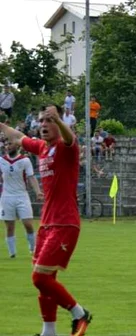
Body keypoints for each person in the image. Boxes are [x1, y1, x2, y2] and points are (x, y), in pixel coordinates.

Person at [0, 104, 92, 336]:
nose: (43, 125)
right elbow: (19, 137)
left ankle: (80, 313)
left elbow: (71, 139)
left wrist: (60, 122)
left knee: (39, 277)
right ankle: (48, 332)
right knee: (45, 279)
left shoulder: (66, 147)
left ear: (59, 124)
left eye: (49, 121)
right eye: (41, 121)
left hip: (65, 223)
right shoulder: (42, 148)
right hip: (48, 224)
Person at [2, 141, 43, 258]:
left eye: (10, 144)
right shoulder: (2, 160)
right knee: (9, 226)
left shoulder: (25, 160)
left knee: (28, 224)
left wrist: (38, 191)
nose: (7, 146)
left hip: (22, 195)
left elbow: (31, 177)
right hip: (7, 197)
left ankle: (33, 248)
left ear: (17, 146)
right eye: (7, 144)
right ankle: (12, 253)